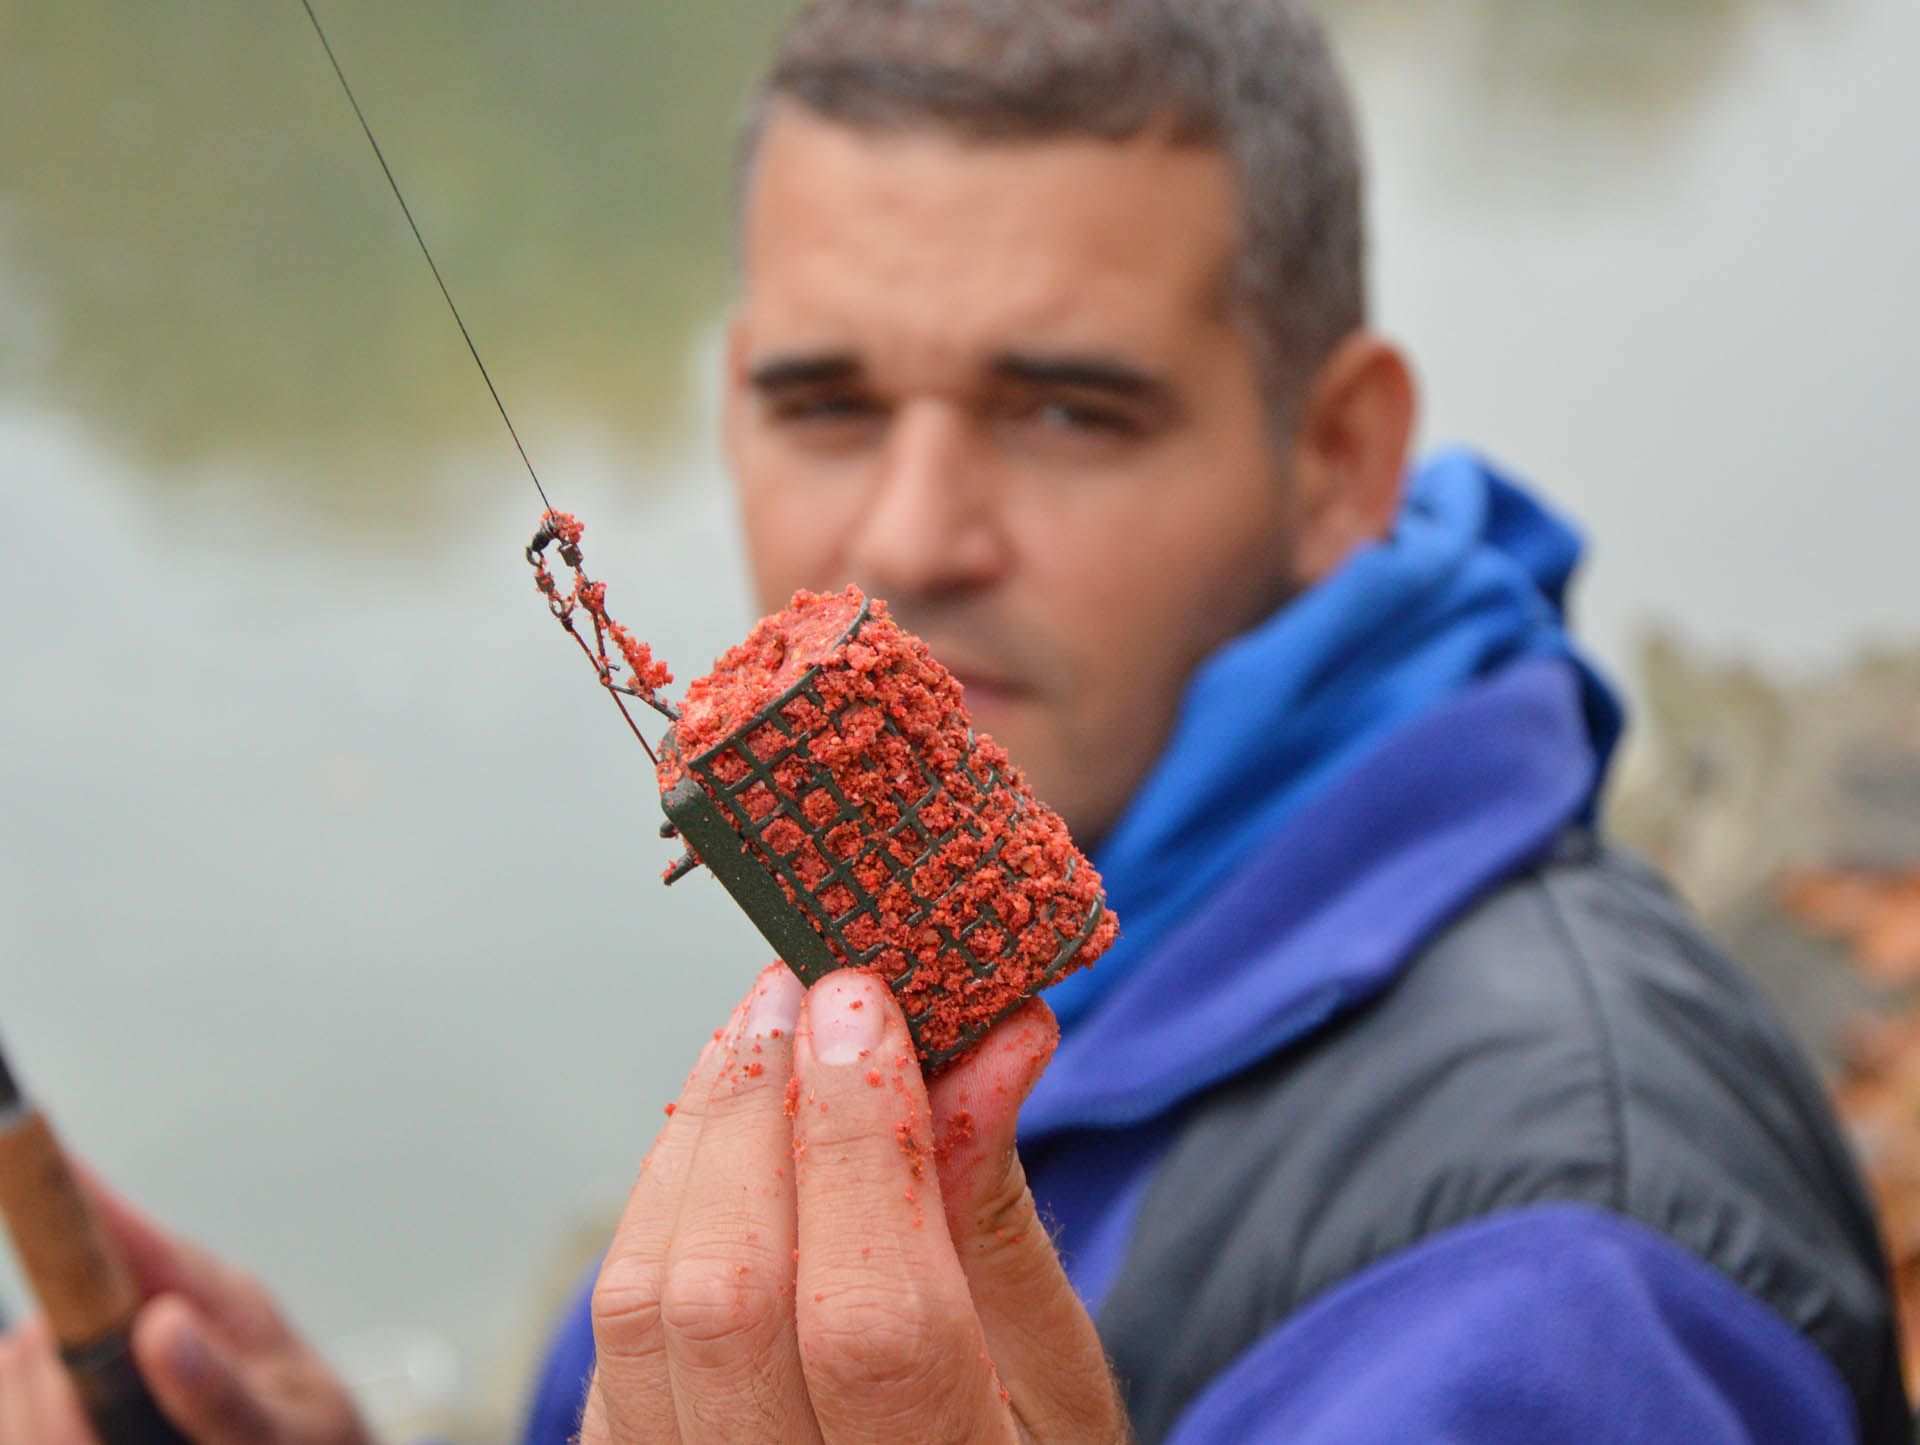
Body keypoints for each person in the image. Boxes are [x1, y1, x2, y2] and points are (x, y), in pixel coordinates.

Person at [0, 1, 1906, 1441]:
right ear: (731, 399)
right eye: (826, 404)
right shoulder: (919, 956)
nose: (907, 535)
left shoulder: (1568, 1292)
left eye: (1071, 409)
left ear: (1338, 457)